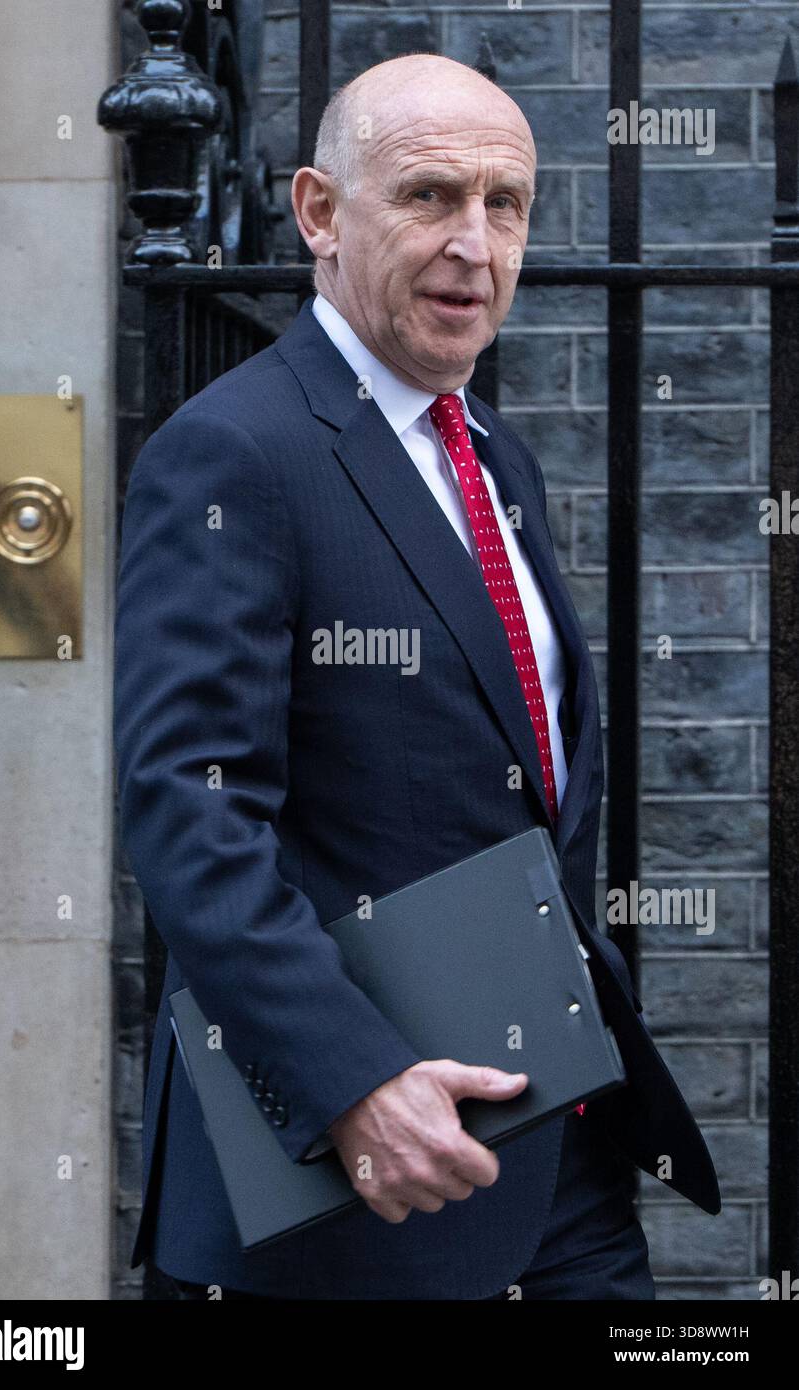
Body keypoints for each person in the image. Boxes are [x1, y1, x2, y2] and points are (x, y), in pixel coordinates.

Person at [114, 53, 720, 1301]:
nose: (473, 243)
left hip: (552, 1148)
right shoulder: (234, 451)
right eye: (431, 195)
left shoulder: (492, 452)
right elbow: (192, 807)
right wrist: (349, 1081)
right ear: (321, 213)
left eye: (504, 205)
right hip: (349, 1189)